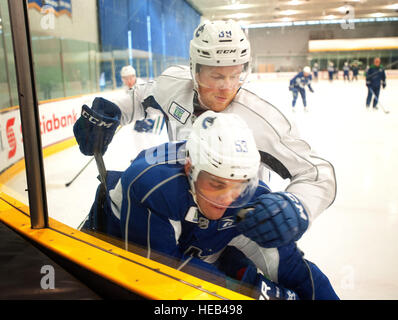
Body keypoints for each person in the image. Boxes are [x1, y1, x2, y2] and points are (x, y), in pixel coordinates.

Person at [74, 19, 336, 261]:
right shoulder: (173, 86)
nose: (228, 87)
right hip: (176, 213)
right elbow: (139, 96)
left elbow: (317, 173)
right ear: (195, 71)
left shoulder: (262, 121)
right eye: (217, 76)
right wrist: (109, 112)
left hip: (228, 227)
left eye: (236, 75)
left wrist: (296, 206)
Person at [82, 110, 339, 300]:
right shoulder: (150, 185)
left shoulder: (253, 198)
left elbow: (293, 268)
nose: (228, 199)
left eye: (239, 185)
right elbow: (160, 276)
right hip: (112, 238)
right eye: (216, 184)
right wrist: (249, 290)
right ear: (190, 169)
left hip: (187, 243)